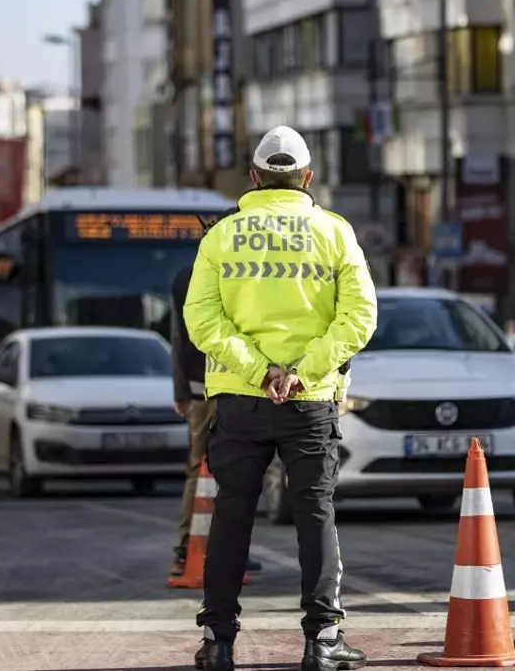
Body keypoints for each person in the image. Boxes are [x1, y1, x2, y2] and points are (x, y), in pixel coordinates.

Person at [184, 125, 378, 671]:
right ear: (308, 179)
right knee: (315, 513)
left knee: (232, 516)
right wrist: (301, 371)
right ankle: (322, 640)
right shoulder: (334, 232)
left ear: (254, 178)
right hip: (309, 401)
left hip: (242, 401)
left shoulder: (222, 236)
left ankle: (219, 641)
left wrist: (258, 369)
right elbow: (360, 317)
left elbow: (201, 318)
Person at [170, 247, 264, 578]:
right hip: (235, 383)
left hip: (200, 386)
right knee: (237, 469)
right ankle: (218, 550)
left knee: (200, 468)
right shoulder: (240, 271)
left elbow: (178, 337)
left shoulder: (185, 277)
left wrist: (180, 388)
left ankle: (187, 549)